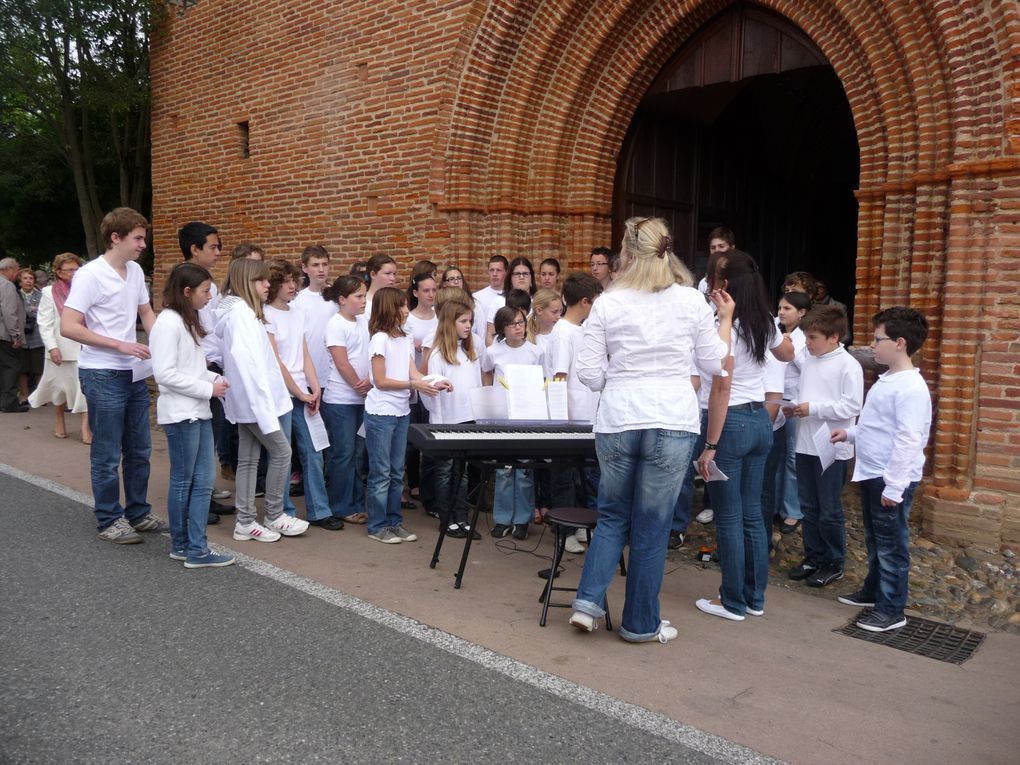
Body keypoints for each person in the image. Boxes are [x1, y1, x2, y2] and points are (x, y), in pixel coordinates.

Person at [569, 217, 732, 643]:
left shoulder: (609, 301)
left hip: (620, 416)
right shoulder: (690, 301)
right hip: (672, 418)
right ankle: (640, 623)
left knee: (612, 514)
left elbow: (587, 372)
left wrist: (619, 380)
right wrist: (725, 321)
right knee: (653, 525)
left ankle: (588, 602)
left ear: (627, 251)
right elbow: (716, 363)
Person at [694, 249, 793, 621]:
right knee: (753, 513)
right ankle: (755, 597)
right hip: (758, 421)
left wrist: (711, 445)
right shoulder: (763, 320)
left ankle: (731, 600)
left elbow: (721, 383)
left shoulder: (729, 326)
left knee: (730, 516)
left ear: (725, 285)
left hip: (730, 423)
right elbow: (786, 353)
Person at [61, 207, 165, 544]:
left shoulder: (134, 272)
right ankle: (109, 518)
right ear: (115, 238)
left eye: (143, 239)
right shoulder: (90, 275)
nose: (142, 245)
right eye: (137, 239)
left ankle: (138, 512)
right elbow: (69, 326)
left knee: (139, 449)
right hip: (102, 372)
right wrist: (118, 345)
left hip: (133, 373)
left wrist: (164, 344)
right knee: (107, 452)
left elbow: (146, 311)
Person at [831, 307, 931, 632]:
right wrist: (850, 433)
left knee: (891, 546)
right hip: (873, 473)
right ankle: (873, 591)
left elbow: (908, 439)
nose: (872, 346)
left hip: (890, 478)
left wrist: (894, 486)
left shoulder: (910, 388)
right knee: (876, 539)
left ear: (900, 343)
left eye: (878, 339)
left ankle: (891, 609)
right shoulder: (887, 379)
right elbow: (877, 426)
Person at [215, 258, 308, 542]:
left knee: (249, 459)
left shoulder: (243, 313)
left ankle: (245, 521)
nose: (269, 284)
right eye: (263, 280)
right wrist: (263, 410)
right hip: (255, 403)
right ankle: (274, 515)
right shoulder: (241, 315)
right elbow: (249, 367)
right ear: (247, 281)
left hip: (252, 402)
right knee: (282, 453)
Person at [150, 263, 235, 568]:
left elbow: (191, 369)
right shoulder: (168, 323)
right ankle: (191, 548)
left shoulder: (186, 321)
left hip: (195, 410)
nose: (209, 297)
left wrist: (214, 381)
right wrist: (207, 388)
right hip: (182, 413)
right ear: (187, 292)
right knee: (188, 482)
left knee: (200, 481)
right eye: (204, 291)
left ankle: (187, 545)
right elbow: (164, 374)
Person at [783, 306, 863, 586]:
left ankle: (833, 560)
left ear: (834, 337)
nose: (808, 343)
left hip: (831, 444)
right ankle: (813, 556)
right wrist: (794, 409)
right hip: (805, 442)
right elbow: (804, 394)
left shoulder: (848, 365)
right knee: (809, 505)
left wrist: (812, 408)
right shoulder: (810, 360)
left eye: (813, 337)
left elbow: (852, 406)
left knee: (829, 508)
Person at [364, 286, 448, 543]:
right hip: (381, 412)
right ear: (389, 309)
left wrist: (435, 381)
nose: (405, 310)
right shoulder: (379, 338)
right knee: (381, 472)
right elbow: (380, 380)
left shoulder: (405, 337)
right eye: (401, 306)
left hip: (401, 411)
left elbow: (414, 373)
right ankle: (378, 525)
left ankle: (394, 521)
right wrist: (415, 385)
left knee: (396, 471)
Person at [264, 259, 336, 529]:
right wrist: (300, 392)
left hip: (303, 393)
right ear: (273, 285)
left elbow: (303, 352)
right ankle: (282, 511)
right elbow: (276, 361)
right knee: (282, 454)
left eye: (294, 280)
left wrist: (314, 386)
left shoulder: (297, 312)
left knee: (314, 451)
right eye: (286, 282)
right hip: (281, 394)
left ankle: (319, 511)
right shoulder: (265, 314)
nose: (293, 286)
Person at [178, 221, 234, 514]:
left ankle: (205, 493)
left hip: (211, 365)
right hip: (197, 367)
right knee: (198, 437)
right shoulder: (184, 284)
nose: (218, 252)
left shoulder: (207, 281)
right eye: (213, 246)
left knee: (211, 433)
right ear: (194, 249)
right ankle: (195, 499)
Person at [546, 272, 603, 552]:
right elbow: (559, 376)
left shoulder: (583, 329)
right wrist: (562, 420)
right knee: (564, 476)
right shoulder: (562, 331)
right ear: (583, 301)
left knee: (581, 474)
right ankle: (564, 531)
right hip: (568, 417)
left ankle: (579, 525)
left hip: (588, 414)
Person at [422, 300, 482, 537]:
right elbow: (430, 391)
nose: (468, 326)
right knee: (445, 471)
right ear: (450, 323)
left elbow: (476, 384)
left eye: (470, 321)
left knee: (463, 471)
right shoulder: (438, 354)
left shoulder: (468, 351)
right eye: (463, 321)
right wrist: (438, 423)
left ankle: (462, 517)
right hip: (447, 421)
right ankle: (447, 518)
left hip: (468, 419)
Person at [482, 305, 544, 539]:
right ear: (502, 329)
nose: (519, 327)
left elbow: (542, 380)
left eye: (521, 322)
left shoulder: (535, 352)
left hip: (527, 415)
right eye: (513, 324)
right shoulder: (493, 351)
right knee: (504, 470)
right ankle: (502, 517)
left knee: (524, 471)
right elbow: (487, 374)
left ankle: (522, 520)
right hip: (502, 415)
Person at [321, 275, 372, 525]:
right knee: (343, 453)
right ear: (342, 300)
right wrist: (358, 386)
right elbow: (342, 362)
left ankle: (357, 502)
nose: (364, 300)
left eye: (364, 295)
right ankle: (340, 505)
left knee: (359, 454)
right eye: (358, 296)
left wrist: (370, 382)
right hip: (341, 400)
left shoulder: (363, 321)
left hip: (361, 399)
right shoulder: (336, 324)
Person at [761, 290, 811, 535]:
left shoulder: (804, 338)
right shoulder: (776, 331)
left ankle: (792, 510)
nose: (781, 312)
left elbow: (808, 369)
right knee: (775, 455)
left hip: (794, 400)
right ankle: (774, 505)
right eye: (780, 308)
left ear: (801, 313)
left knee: (791, 457)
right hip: (774, 399)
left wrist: (791, 349)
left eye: (787, 309)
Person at [28, 253, 91, 442]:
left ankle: (85, 427)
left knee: (83, 389)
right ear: (58, 272)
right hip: (60, 348)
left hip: (84, 347)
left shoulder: (86, 289)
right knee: (58, 388)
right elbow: (45, 323)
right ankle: (59, 418)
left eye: (76, 269)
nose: (74, 273)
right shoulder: (49, 292)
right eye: (69, 269)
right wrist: (52, 347)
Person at [293, 245, 339, 402]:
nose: (321, 269)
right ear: (304, 268)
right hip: (309, 374)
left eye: (325, 264)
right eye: (315, 265)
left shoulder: (337, 296)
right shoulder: (297, 300)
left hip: (334, 375)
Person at [0, 258, 27, 412]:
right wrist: (16, 336)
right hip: (5, 335)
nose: (18, 274)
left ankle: (4, 400)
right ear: (9, 269)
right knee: (11, 367)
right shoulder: (6, 285)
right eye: (17, 270)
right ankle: (9, 402)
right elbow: (9, 312)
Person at [17, 269, 44, 400]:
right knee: (23, 369)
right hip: (21, 336)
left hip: (38, 336)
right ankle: (24, 395)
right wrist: (31, 309)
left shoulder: (41, 295)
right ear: (20, 281)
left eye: (31, 278)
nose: (28, 281)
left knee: (39, 368)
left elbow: (42, 312)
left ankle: (39, 396)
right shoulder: (16, 295)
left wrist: (28, 310)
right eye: (25, 278)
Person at [472, 255, 507, 342]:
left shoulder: (512, 296)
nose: (494, 274)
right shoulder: (477, 297)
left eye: (498, 270)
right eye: (491, 270)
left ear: (506, 272)